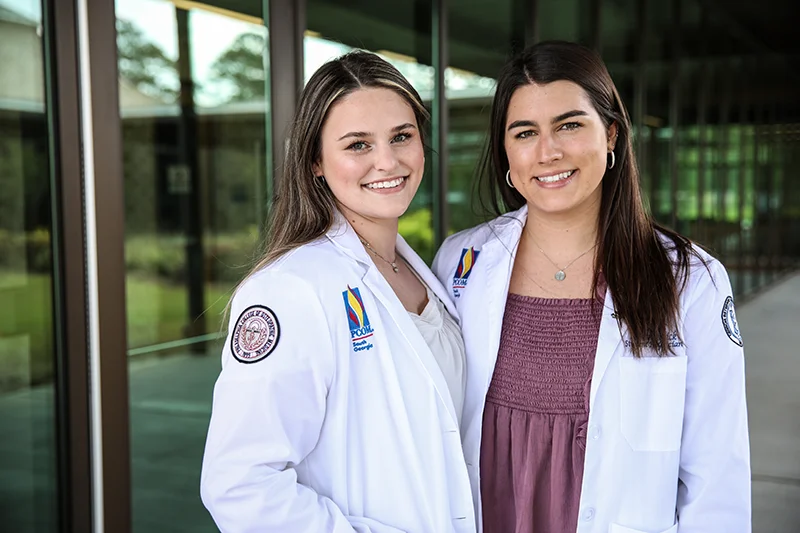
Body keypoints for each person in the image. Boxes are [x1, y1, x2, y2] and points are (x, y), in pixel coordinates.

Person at [433, 41, 751, 533]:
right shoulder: (461, 263)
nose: (548, 151)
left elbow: (717, 480)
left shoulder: (691, 280)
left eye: (569, 124)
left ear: (612, 136)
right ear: (506, 153)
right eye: (525, 132)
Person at [201, 51, 474, 533]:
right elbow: (240, 486)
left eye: (401, 137)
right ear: (316, 163)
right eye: (358, 144)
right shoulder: (291, 289)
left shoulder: (424, 274)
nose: (387, 161)